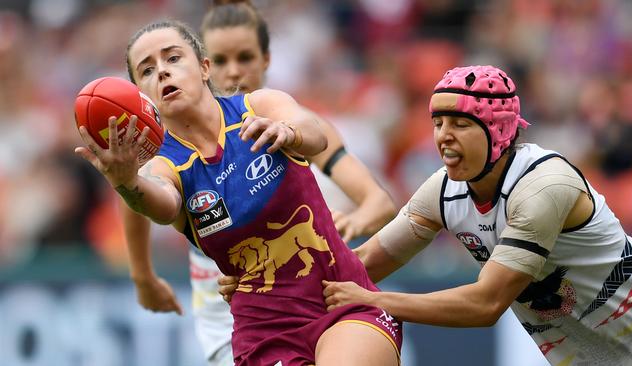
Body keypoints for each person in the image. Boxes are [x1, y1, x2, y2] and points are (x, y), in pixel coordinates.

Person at [222, 65, 632, 365]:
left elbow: (485, 304)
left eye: (461, 123)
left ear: (499, 130)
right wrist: (267, 275)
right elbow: (358, 266)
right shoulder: (444, 191)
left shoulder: (543, 186)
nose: (443, 136)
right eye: (438, 121)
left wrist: (376, 301)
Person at [75, 19, 401, 366]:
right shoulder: (163, 166)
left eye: (173, 59)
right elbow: (161, 205)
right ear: (141, 95)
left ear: (204, 67)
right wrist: (126, 183)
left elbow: (315, 133)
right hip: (263, 330)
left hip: (342, 301)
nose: (163, 73)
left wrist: (288, 132)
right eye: (148, 70)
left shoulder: (261, 106)